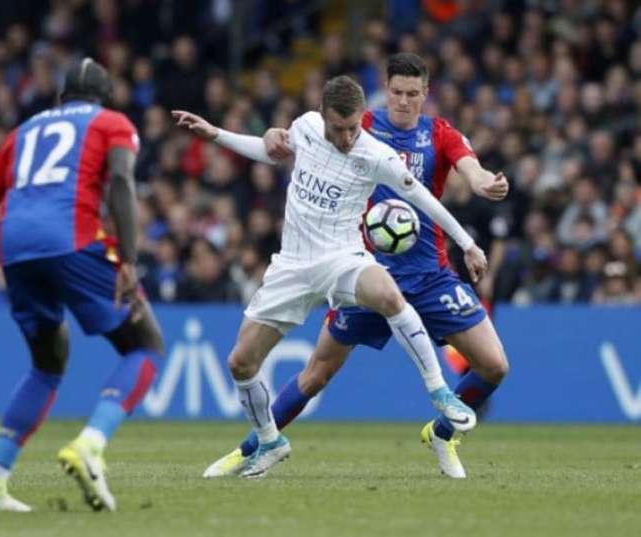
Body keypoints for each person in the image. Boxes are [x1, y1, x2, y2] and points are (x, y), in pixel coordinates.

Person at [204, 53, 510, 480]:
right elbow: (301, 137)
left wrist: (484, 184)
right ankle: (250, 449)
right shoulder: (356, 127)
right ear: (386, 90)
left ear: (426, 94)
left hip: (429, 275)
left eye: (413, 94)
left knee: (494, 365)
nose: (404, 102)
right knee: (315, 375)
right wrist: (275, 135)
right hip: (361, 273)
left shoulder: (440, 134)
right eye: (397, 93)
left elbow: (470, 169)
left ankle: (442, 434)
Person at [0, 59, 164, 512]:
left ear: (60, 99)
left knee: (47, 363)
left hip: (14, 250)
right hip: (72, 237)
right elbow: (123, 180)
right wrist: (128, 258)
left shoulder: (24, 132)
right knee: (144, 345)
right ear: (104, 99)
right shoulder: (112, 122)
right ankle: (90, 444)